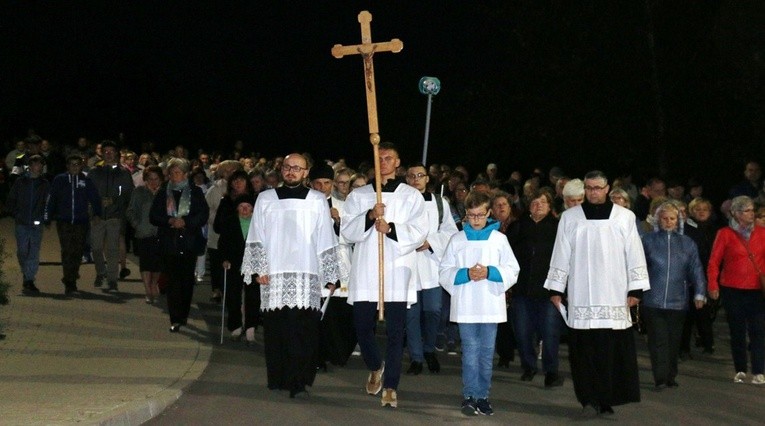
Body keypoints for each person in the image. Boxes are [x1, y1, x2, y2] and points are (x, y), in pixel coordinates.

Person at [544, 170, 649, 415]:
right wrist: (556, 288)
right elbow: (561, 253)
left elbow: (634, 253)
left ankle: (606, 398)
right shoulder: (570, 218)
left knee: (610, 350)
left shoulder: (625, 217)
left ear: (607, 188)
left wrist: (636, 288)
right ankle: (588, 398)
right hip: (582, 294)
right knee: (584, 350)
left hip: (614, 293)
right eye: (589, 188)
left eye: (597, 187)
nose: (593, 192)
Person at [241, 153, 343, 398]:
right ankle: (278, 378)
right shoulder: (266, 198)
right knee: (276, 330)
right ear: (281, 169)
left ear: (306, 172)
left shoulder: (317, 200)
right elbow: (257, 234)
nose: (291, 171)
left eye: (297, 168)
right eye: (287, 167)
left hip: (307, 273)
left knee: (304, 331)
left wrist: (329, 273)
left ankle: (300, 381)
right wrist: (259, 269)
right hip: (274, 273)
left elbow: (326, 237)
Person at [341, 142, 428, 408]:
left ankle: (391, 384)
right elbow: (347, 231)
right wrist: (369, 216)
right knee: (362, 327)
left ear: (398, 163)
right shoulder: (359, 196)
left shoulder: (411, 196)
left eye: (389, 158)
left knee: (394, 332)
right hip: (367, 269)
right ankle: (375, 365)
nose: (384, 162)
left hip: (396, 269)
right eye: (379, 158)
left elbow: (419, 231)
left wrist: (390, 228)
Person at [439, 191, 520, 416]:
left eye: (480, 215)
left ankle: (483, 395)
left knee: (485, 353)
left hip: (490, 304)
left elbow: (513, 269)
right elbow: (444, 271)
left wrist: (490, 272)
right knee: (470, 352)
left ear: (488, 213)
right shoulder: (457, 239)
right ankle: (469, 395)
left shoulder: (499, 239)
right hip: (466, 304)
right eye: (471, 215)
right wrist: (465, 274)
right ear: (466, 214)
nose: (476, 220)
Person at [641, 201, 706, 389]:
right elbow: (638, 268)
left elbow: (696, 269)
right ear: (658, 219)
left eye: (672, 218)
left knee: (673, 341)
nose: (668, 222)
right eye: (664, 218)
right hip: (653, 300)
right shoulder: (647, 241)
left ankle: (670, 375)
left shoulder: (687, 243)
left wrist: (700, 293)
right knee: (658, 340)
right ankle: (660, 377)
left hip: (678, 302)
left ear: (678, 220)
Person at [404, 163, 459, 375]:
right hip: (408, 264)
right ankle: (416, 357)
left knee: (434, 310)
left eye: (420, 175)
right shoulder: (401, 201)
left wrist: (430, 242)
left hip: (431, 265)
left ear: (427, 178)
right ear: (406, 179)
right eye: (412, 175)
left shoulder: (439, 202)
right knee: (412, 314)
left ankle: (429, 350)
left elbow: (450, 232)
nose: (416, 179)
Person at [507, 190, 563, 387]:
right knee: (522, 332)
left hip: (548, 291)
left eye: (543, 202)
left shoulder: (558, 228)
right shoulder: (518, 227)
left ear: (550, 206)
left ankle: (551, 371)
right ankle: (529, 365)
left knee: (550, 333)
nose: (538, 205)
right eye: (534, 202)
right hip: (522, 290)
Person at [707, 195, 765, 385]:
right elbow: (714, 262)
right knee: (737, 331)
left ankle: (759, 371)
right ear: (737, 214)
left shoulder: (763, 233)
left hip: (757, 290)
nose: (752, 214)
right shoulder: (725, 233)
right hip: (732, 289)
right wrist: (713, 284)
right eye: (747, 210)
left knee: (758, 331)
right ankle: (740, 369)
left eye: (752, 210)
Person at [150, 158, 209, 332]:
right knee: (173, 281)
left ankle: (183, 313)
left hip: (188, 242)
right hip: (170, 242)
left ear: (185, 174)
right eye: (171, 173)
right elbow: (154, 216)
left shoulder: (195, 192)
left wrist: (186, 222)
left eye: (177, 173)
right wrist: (169, 220)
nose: (173, 176)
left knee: (186, 281)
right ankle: (175, 318)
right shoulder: (163, 192)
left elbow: (202, 215)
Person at [310, 162, 356, 368]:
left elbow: (354, 236)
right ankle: (317, 356)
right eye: (317, 183)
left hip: (340, 263)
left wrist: (339, 222)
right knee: (317, 313)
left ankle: (335, 352)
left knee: (337, 312)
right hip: (314, 264)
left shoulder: (344, 205)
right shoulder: (305, 206)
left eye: (326, 183)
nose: (322, 187)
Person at [45, 155, 102, 295]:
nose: (75, 167)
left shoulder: (86, 180)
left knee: (77, 251)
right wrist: (47, 217)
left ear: (81, 166)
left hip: (81, 222)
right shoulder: (60, 180)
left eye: (77, 164)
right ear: (67, 166)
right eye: (72, 164)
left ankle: (72, 274)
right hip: (64, 221)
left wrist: (97, 214)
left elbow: (95, 198)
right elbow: (51, 198)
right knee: (67, 250)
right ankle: (70, 282)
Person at [88, 140, 135, 292]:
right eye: (105, 151)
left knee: (113, 250)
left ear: (116, 153)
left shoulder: (123, 173)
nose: (108, 153)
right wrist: (94, 210)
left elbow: (128, 194)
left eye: (111, 151)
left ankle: (112, 279)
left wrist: (115, 200)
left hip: (115, 216)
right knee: (95, 248)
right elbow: (89, 193)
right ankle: (101, 272)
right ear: (101, 153)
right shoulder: (95, 171)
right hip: (97, 216)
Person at [218, 195, 259, 344]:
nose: (245, 209)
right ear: (237, 208)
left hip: (254, 265)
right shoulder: (230, 222)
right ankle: (235, 325)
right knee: (233, 296)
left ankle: (250, 327)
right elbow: (222, 243)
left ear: (253, 209)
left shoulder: (259, 223)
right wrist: (224, 259)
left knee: (253, 297)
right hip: (234, 264)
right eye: (242, 206)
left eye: (248, 206)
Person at [6, 154, 49, 295]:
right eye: (36, 164)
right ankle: (26, 273)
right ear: (30, 166)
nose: (39, 167)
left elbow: (48, 202)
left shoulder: (44, 183)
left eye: (41, 164)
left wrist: (46, 217)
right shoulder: (20, 182)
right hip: (22, 222)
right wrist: (15, 213)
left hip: (37, 223)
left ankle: (29, 279)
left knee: (34, 251)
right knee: (22, 251)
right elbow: (12, 199)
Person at [126, 166, 164, 304]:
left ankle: (154, 283)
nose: (153, 182)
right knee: (146, 263)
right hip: (144, 233)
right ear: (145, 180)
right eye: (150, 179)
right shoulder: (139, 192)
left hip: (161, 233)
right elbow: (130, 211)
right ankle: (148, 289)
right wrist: (137, 225)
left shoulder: (165, 193)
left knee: (158, 263)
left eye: (156, 179)